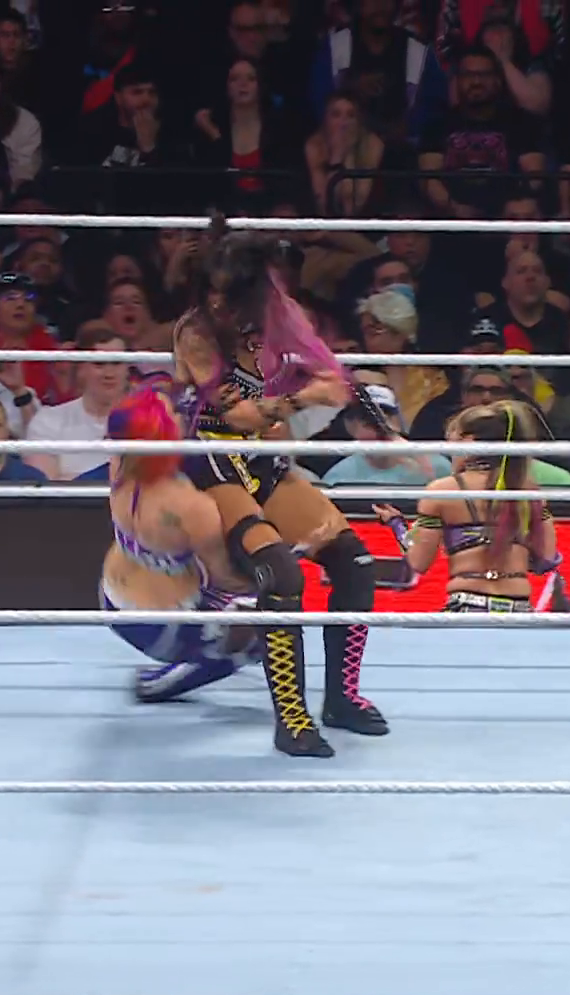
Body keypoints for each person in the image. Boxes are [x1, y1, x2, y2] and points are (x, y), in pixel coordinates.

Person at [167, 215, 386, 756]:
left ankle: (343, 699)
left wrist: (352, 398)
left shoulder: (278, 320)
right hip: (210, 459)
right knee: (282, 574)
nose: (218, 303)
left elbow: (325, 371)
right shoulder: (195, 332)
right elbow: (238, 415)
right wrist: (307, 397)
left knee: (355, 562)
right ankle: (291, 718)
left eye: (229, 294)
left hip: (262, 459)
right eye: (212, 290)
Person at [98, 388, 332, 752]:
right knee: (266, 621)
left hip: (111, 597)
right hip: (162, 626)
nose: (181, 414)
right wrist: (292, 555)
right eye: (173, 414)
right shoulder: (190, 506)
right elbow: (225, 579)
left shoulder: (120, 465)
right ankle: (174, 678)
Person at [373, 400, 560, 613]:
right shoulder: (528, 491)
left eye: (451, 443)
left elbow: (418, 562)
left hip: (467, 609)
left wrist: (397, 525)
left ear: (468, 442)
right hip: (519, 610)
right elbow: (547, 559)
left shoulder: (442, 491)